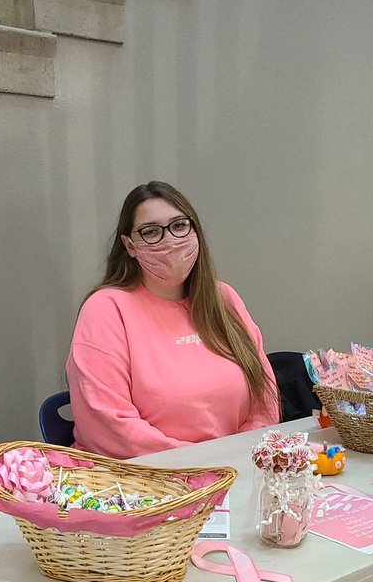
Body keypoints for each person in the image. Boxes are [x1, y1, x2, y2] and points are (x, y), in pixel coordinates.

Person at [66, 181, 280, 458]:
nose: (169, 240)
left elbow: (264, 395)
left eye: (179, 226)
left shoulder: (223, 298)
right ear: (129, 245)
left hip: (235, 470)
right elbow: (109, 423)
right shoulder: (106, 309)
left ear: (195, 231)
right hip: (144, 480)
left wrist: (242, 456)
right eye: (151, 232)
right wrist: (202, 464)